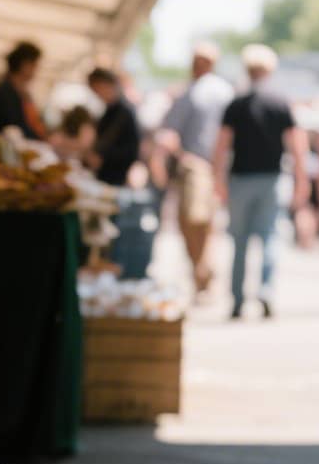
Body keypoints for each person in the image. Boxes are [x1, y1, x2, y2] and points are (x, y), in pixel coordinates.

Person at [212, 44, 309, 319]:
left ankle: (238, 298)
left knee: (239, 242)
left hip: (241, 178)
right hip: (272, 179)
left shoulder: (236, 104)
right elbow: (296, 145)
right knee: (269, 238)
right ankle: (265, 290)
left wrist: (217, 179)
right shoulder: (280, 102)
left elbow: (221, 146)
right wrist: (301, 179)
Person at [159, 43, 236, 296]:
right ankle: (200, 268)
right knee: (194, 221)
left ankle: (202, 268)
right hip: (196, 164)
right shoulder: (193, 92)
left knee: (198, 219)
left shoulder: (209, 92)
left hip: (201, 165)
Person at [88, 66, 148, 277]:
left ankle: (112, 271)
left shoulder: (124, 111)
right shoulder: (111, 110)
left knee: (111, 233)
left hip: (115, 179)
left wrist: (103, 157)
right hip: (107, 178)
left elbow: (131, 151)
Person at [0, 42, 51, 140]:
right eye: (34, 65)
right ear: (24, 64)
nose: (36, 70)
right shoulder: (6, 91)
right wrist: (42, 138)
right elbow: (17, 127)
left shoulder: (20, 92)